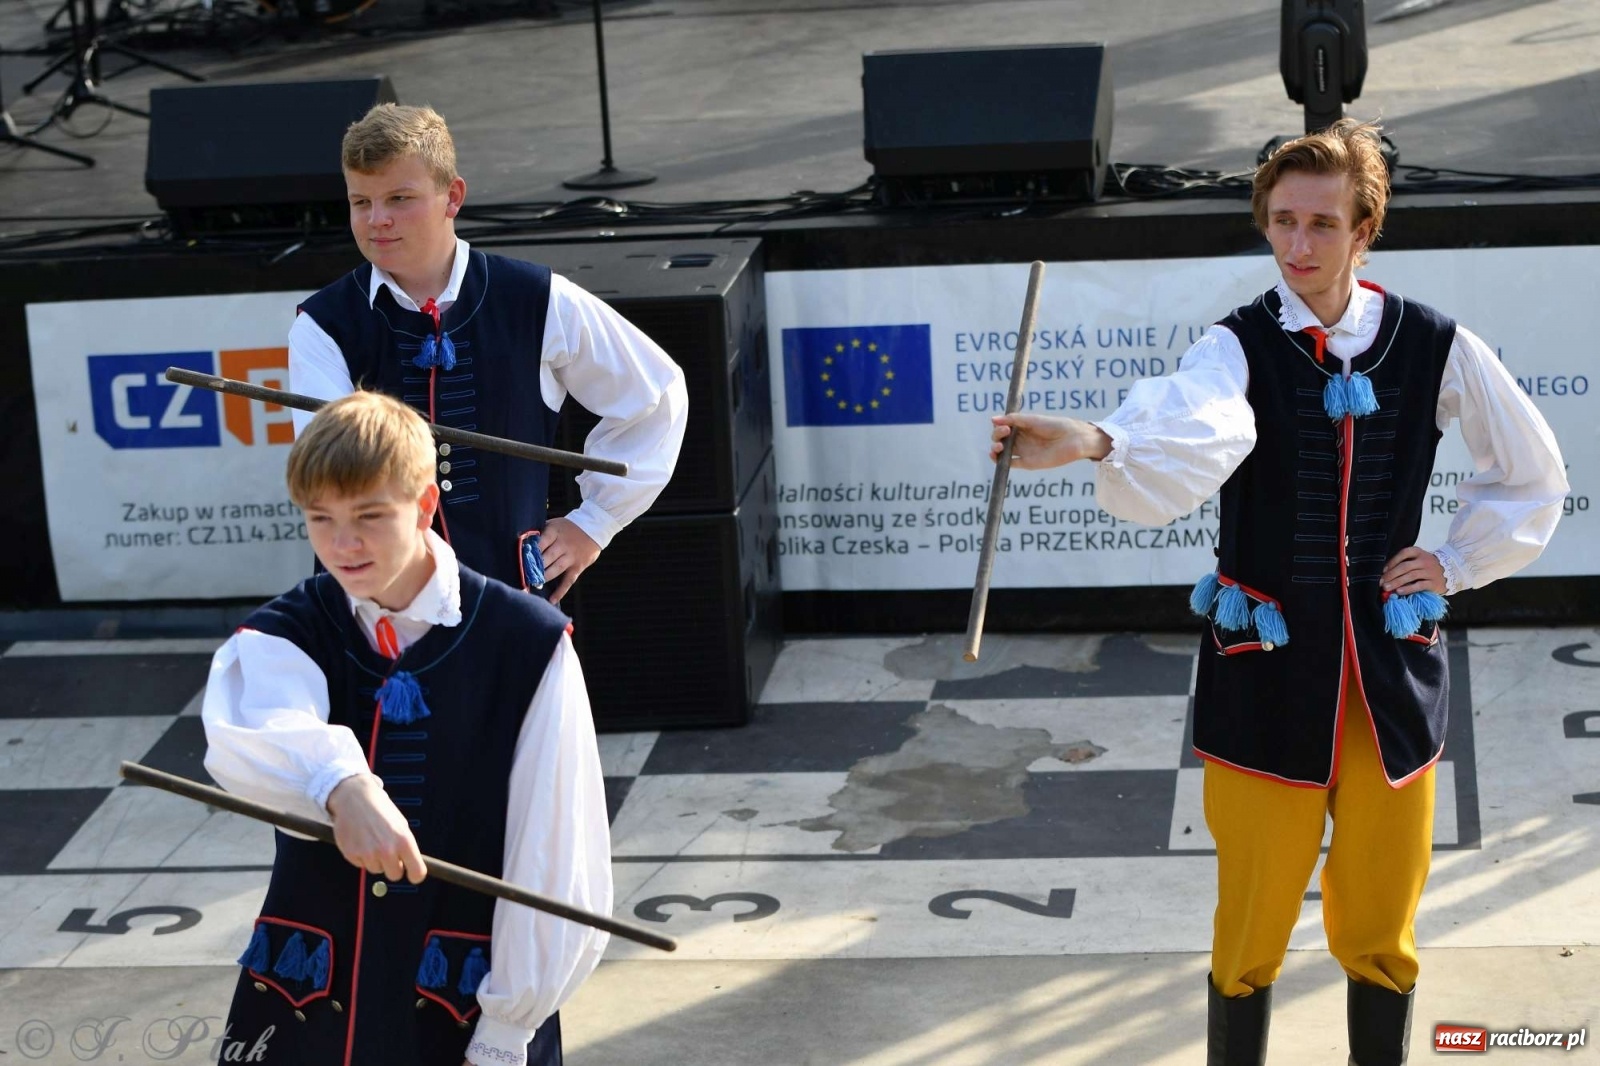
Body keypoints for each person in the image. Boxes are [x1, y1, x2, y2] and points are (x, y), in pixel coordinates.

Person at [990, 119, 1567, 1066]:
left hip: (1389, 679)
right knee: (1253, 920)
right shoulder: (1236, 348)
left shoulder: (1435, 344)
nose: (1299, 245)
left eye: (1322, 224)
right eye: (1284, 221)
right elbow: (1195, 427)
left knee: (1382, 918)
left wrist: (1455, 562)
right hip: (1264, 675)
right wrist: (1098, 440)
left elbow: (1532, 474)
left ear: (1363, 231)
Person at [202, 390, 611, 1066]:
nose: (343, 544)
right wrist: (342, 784)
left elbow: (557, 856)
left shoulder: (527, 642)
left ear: (424, 506)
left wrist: (507, 1029)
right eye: (320, 518)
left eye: (369, 516)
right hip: (305, 1009)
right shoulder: (288, 631)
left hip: (463, 1014)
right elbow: (251, 731)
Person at [290, 103, 687, 603]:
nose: (378, 220)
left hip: (510, 596)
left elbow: (657, 395)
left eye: (399, 198)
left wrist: (595, 522)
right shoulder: (324, 325)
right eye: (360, 202)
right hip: (376, 605)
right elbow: (335, 474)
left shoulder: (536, 298)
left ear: (452, 197)